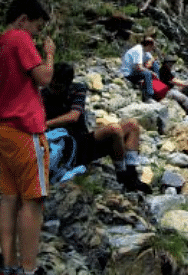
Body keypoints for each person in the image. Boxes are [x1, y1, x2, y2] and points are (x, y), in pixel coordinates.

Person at [0, 0, 60, 275]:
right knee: (33, 199)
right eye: (36, 27)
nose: (36, 35)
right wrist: (48, 54)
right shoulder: (20, 39)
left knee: (8, 197)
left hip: (1, 129)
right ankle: (28, 273)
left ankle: (9, 268)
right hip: (25, 129)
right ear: (23, 19)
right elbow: (44, 78)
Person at [42, 62, 152, 194]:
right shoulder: (42, 95)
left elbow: (74, 116)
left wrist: (47, 123)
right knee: (114, 130)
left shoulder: (78, 89)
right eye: (52, 85)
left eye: (58, 86)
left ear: (67, 83)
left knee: (132, 125)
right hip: (68, 148)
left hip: (83, 140)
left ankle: (131, 174)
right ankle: (122, 175)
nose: (54, 90)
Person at [119, 36, 160, 102]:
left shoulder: (144, 50)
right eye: (152, 48)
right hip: (127, 74)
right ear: (149, 46)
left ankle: (158, 86)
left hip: (133, 71)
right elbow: (139, 68)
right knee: (147, 73)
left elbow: (151, 59)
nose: (152, 50)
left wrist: (150, 62)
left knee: (155, 64)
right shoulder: (138, 50)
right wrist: (152, 73)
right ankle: (149, 96)